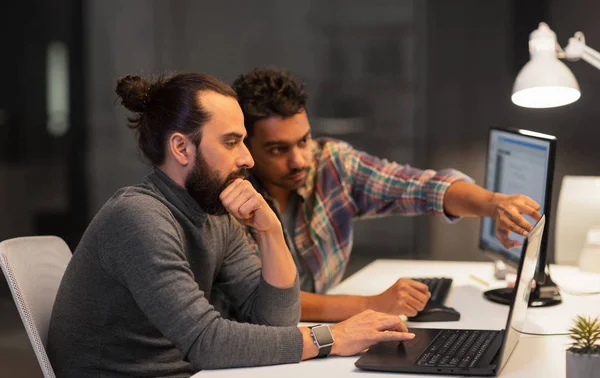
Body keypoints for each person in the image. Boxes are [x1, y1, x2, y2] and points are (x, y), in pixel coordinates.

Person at [46, 73, 416, 377]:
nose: (247, 158)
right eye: (231, 142)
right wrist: (332, 336)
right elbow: (207, 342)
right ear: (181, 148)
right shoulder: (139, 218)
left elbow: (275, 320)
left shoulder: (214, 212)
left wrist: (270, 232)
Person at [230, 67, 542, 322]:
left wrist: (493, 204)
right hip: (266, 344)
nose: (298, 159)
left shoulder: (331, 164)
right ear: (246, 146)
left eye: (303, 140)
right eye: (278, 150)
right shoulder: (234, 202)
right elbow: (267, 302)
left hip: (327, 333)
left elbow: (420, 187)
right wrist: (372, 304)